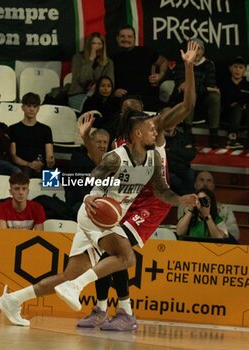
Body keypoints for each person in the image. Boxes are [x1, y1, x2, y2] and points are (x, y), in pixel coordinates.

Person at [0, 109, 198, 327]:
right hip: (97, 215)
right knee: (126, 258)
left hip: (105, 217)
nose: (155, 132)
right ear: (138, 133)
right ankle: (83, 292)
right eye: (150, 129)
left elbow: (160, 191)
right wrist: (90, 196)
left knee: (68, 275)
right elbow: (93, 177)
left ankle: (13, 300)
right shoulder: (116, 156)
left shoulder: (153, 158)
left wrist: (181, 200)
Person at [76, 42, 198, 331]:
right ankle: (102, 309)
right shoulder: (122, 142)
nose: (131, 110)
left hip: (154, 200)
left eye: (137, 108)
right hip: (127, 201)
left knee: (116, 253)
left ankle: (126, 313)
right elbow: (102, 165)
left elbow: (188, 106)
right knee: (109, 253)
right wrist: (86, 139)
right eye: (127, 107)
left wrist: (189, 67)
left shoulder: (152, 131)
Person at [169, 38, 221, 148]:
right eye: (193, 49)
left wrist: (203, 89)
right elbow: (181, 85)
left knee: (215, 96)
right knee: (191, 93)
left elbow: (210, 85)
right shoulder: (181, 62)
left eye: (199, 49)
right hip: (182, 99)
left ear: (203, 51)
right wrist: (204, 88)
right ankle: (187, 133)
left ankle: (214, 135)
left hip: (202, 100)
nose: (196, 52)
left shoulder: (208, 64)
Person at [111, 24, 168, 111]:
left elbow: (164, 61)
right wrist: (114, 92)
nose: (126, 39)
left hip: (147, 98)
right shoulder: (112, 59)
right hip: (124, 100)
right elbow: (106, 81)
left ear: (134, 39)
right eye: (122, 36)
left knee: (168, 111)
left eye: (129, 36)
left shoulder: (145, 52)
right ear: (117, 39)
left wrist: (160, 75)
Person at [0, 172, 46, 258]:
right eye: (17, 189)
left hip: (27, 248)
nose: (21, 192)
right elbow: (3, 237)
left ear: (28, 191)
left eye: (24, 189)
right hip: (6, 248)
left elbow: (39, 236)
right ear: (10, 191)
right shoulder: (1, 208)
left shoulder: (37, 208)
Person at [178, 171, 240, 241]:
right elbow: (180, 232)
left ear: (213, 186)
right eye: (201, 180)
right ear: (195, 184)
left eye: (209, 181)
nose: (205, 184)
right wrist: (191, 209)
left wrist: (207, 216)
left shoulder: (224, 211)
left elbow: (231, 236)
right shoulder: (185, 208)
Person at [65, 128, 110, 219]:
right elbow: (78, 185)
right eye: (99, 142)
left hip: (101, 203)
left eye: (105, 142)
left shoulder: (110, 162)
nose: (102, 145)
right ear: (90, 143)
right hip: (80, 201)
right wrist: (88, 198)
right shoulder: (78, 158)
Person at [9, 92, 55, 178]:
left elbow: (49, 154)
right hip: (23, 165)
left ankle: (52, 192)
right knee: (26, 171)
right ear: (23, 107)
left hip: (40, 165)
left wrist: (49, 162)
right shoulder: (13, 128)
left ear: (38, 109)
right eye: (28, 106)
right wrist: (29, 164)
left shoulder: (46, 129)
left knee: (52, 173)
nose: (31, 109)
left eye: (34, 106)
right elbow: (13, 156)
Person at [68, 32, 114, 111]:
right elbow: (82, 80)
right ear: (89, 45)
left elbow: (110, 83)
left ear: (103, 46)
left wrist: (97, 87)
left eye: (99, 44)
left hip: (99, 95)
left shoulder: (108, 62)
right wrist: (90, 60)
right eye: (93, 43)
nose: (96, 47)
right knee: (90, 108)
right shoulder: (78, 58)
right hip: (78, 94)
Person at [220, 56, 249, 149]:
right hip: (227, 116)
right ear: (230, 68)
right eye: (235, 67)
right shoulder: (224, 84)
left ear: (244, 70)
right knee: (238, 108)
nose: (238, 70)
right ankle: (232, 139)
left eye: (241, 67)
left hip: (245, 116)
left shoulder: (247, 85)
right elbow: (221, 101)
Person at [164, 124, 197, 195]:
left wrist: (171, 150)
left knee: (190, 174)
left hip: (183, 168)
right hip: (168, 170)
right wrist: (181, 151)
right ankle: (184, 199)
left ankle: (187, 200)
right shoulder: (160, 138)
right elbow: (165, 157)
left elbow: (191, 154)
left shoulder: (184, 137)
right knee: (174, 180)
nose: (170, 125)